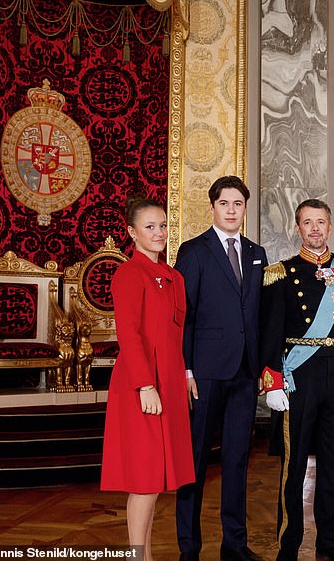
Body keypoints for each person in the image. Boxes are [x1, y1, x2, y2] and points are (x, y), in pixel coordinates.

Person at [260, 199, 334, 561]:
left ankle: (329, 542)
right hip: (301, 377)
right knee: (293, 466)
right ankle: (289, 544)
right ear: (298, 228)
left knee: (331, 463)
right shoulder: (282, 273)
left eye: (320, 222)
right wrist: (272, 381)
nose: (314, 229)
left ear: (330, 226)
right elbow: (271, 333)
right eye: (307, 223)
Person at [174, 176, 267, 561]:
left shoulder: (256, 251)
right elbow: (183, 316)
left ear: (245, 208)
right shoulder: (193, 251)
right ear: (212, 207)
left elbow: (258, 313)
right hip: (205, 373)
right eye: (225, 203)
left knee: (236, 460)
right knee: (194, 460)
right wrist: (187, 371)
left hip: (245, 372)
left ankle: (235, 545)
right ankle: (189, 548)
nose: (232, 210)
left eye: (238, 204)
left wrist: (263, 367)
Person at [101, 194, 194, 561]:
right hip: (142, 384)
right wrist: (145, 385)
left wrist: (184, 376)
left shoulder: (173, 276)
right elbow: (129, 334)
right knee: (144, 478)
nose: (159, 233)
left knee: (156, 480)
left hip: (169, 381)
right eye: (150, 227)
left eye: (163, 225)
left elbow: (176, 334)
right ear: (132, 233)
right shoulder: (129, 273)